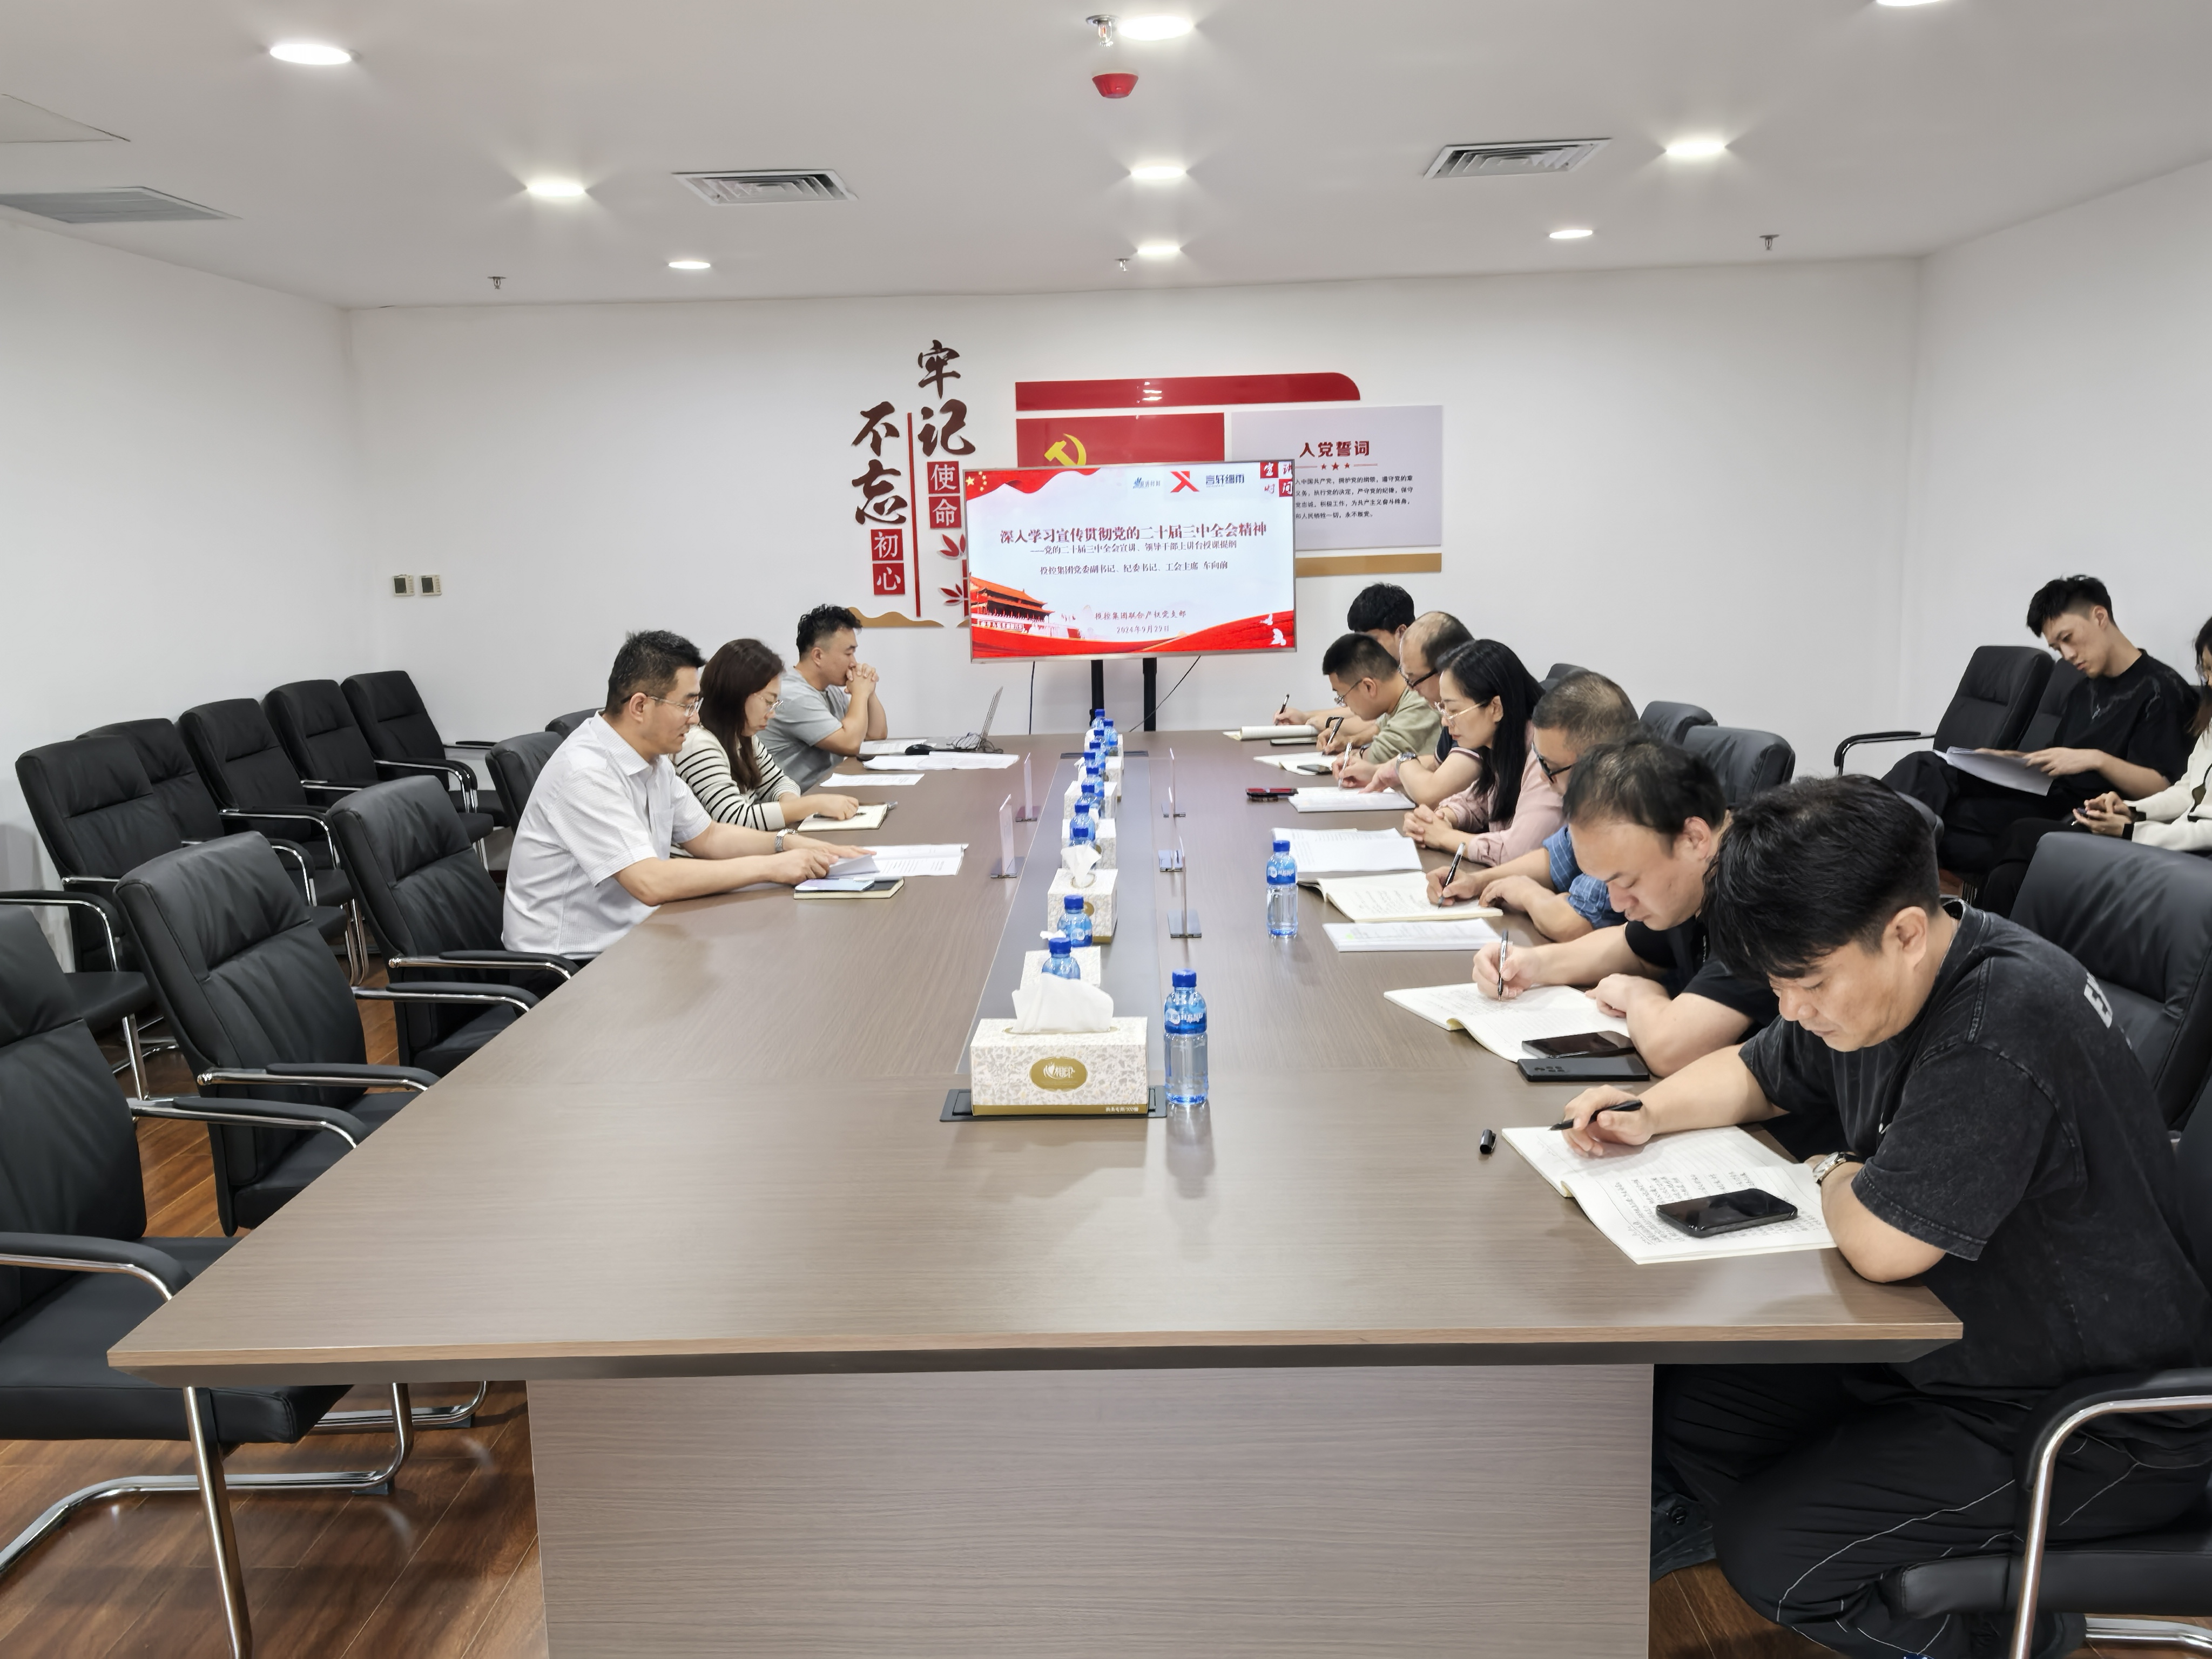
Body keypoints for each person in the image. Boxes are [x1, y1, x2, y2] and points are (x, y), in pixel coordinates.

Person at [1554, 775, 2212, 1659]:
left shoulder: (1995, 1022)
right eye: (1778, 984)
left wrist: (1832, 1170)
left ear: (1904, 933)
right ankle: (1933, 1565)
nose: (1794, 1007)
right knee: (1703, 1410)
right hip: (1960, 1350)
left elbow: (1881, 1245)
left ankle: (2012, 1631)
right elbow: (1759, 1069)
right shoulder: (1873, 981)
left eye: (1806, 984)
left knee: (1777, 1558)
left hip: (2094, 1421)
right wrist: (1648, 1112)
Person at [503, 631, 854, 957]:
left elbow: (708, 836)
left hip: (635, 935)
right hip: (569, 966)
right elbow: (649, 882)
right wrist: (773, 867)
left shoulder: (654, 760)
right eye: (686, 706)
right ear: (640, 707)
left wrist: (785, 843)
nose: (696, 719)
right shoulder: (586, 771)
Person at [1473, 735, 1776, 1076]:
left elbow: (1670, 1050)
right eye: (1607, 883)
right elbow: (1632, 945)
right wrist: (1531, 963)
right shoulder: (1691, 876)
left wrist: (1640, 995)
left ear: (1694, 839)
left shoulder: (1760, 893)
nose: (1618, 903)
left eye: (1628, 882)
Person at [1887, 575, 2194, 889]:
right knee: (1925, 766)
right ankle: (1869, 854)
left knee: (1932, 821)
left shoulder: (2163, 691)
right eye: (2057, 647)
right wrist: (2007, 759)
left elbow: (2164, 787)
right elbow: (2059, 757)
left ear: (2099, 617)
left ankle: (1872, 866)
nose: (2067, 655)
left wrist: (2096, 759)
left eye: (2068, 638)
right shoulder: (2084, 689)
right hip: (2046, 791)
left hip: (2077, 812)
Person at [1982, 612, 2212, 907]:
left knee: (2023, 834)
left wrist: (2131, 830)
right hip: (2160, 840)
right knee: (2009, 877)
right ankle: (1972, 928)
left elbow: (2205, 828)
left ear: (2099, 617)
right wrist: (2131, 810)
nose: (2209, 682)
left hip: (2186, 859)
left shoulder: (2161, 689)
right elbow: (2187, 790)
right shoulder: (2210, 725)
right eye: (2206, 670)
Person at [1427, 670, 1638, 940]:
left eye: (1550, 767)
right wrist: (1478, 882)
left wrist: (1527, 893)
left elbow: (1573, 924)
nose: (1542, 777)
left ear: (1600, 765)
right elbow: (1554, 859)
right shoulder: (1592, 806)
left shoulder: (1627, 819)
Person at [1400, 640, 1561, 868]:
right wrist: (1441, 818)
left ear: (1496, 708)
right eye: (1443, 708)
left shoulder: (1545, 755)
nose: (1445, 721)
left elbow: (1517, 852)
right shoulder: (1502, 744)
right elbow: (1478, 801)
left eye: (1454, 710)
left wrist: (1444, 837)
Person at [676, 638, 863, 831]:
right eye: (768, 701)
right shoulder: (698, 743)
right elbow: (735, 819)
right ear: (738, 695)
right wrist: (809, 806)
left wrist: (790, 802)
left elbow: (778, 782)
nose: (771, 713)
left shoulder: (743, 737)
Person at [1337, 611, 1478, 805]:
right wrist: (1379, 772)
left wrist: (1402, 762)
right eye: (1407, 678)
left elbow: (1431, 793)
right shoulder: (1449, 711)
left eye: (1415, 679)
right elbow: (1439, 763)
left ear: (1447, 669)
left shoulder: (1475, 711)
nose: (1411, 688)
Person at [760, 604, 889, 794]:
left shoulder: (829, 688)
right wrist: (860, 693)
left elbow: (875, 735)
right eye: (848, 653)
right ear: (818, 656)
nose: (854, 662)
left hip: (825, 792)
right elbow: (850, 744)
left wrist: (869, 690)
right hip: (796, 801)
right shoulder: (792, 695)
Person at [1278, 582, 1416, 752]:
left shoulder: (1421, 676)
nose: (1366, 649)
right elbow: (1362, 709)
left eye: (1372, 641)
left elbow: (1380, 719)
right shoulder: (1396, 666)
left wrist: (1329, 723)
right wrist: (1307, 716)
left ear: (1401, 632)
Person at [1313, 631, 1440, 769]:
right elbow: (1380, 727)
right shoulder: (1398, 698)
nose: (1345, 704)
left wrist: (1357, 754)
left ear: (1368, 687)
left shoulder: (1420, 700)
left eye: (1343, 696)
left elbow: (1380, 755)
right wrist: (1350, 741)